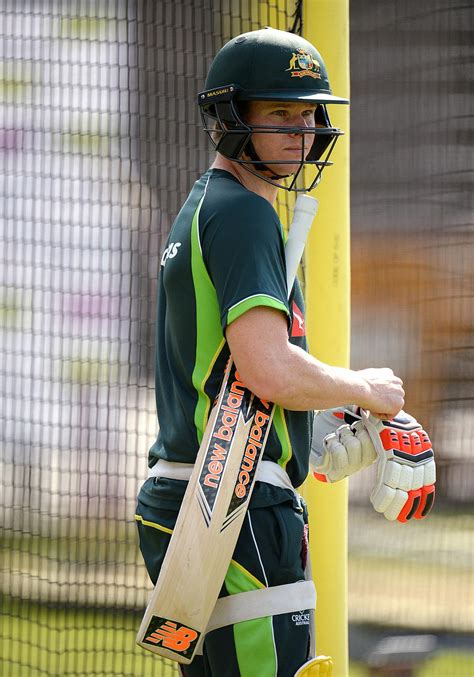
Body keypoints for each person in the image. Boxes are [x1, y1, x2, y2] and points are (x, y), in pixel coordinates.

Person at [135, 27, 427, 677]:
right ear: (231, 114)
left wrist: (309, 427)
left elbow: (227, 375)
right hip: (234, 503)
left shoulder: (204, 206)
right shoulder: (243, 213)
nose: (302, 130)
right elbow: (267, 367)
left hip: (189, 495)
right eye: (280, 113)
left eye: (308, 114)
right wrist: (364, 389)